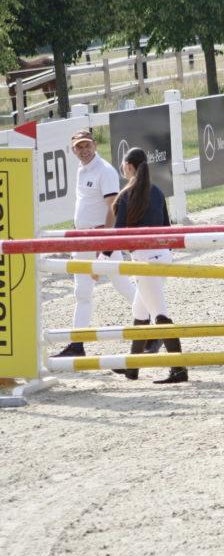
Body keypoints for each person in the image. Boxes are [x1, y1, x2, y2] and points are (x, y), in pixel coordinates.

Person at [51, 130, 137, 357]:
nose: (84, 150)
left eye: (87, 145)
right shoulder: (83, 169)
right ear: (73, 150)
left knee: (123, 285)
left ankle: (154, 322)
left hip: (99, 237)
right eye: (79, 147)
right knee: (82, 292)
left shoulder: (104, 171)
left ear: (95, 145)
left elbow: (113, 207)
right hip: (83, 238)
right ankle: (77, 344)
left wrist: (105, 242)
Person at [110, 147, 187, 383]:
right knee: (140, 312)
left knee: (160, 314)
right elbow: (167, 227)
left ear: (129, 167)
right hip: (162, 256)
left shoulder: (126, 195)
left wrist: (103, 255)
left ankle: (179, 369)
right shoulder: (157, 192)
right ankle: (133, 367)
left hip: (145, 261)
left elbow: (117, 232)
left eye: (123, 166)